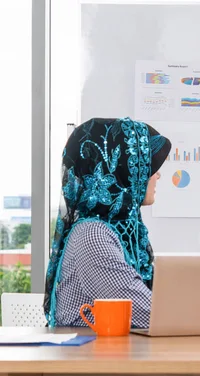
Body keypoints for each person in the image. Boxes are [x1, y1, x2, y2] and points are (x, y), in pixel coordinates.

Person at [43, 117, 172, 329]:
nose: (158, 175)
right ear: (125, 172)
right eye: (149, 167)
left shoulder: (118, 230)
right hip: (90, 361)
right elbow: (147, 313)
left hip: (112, 357)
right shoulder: (92, 236)